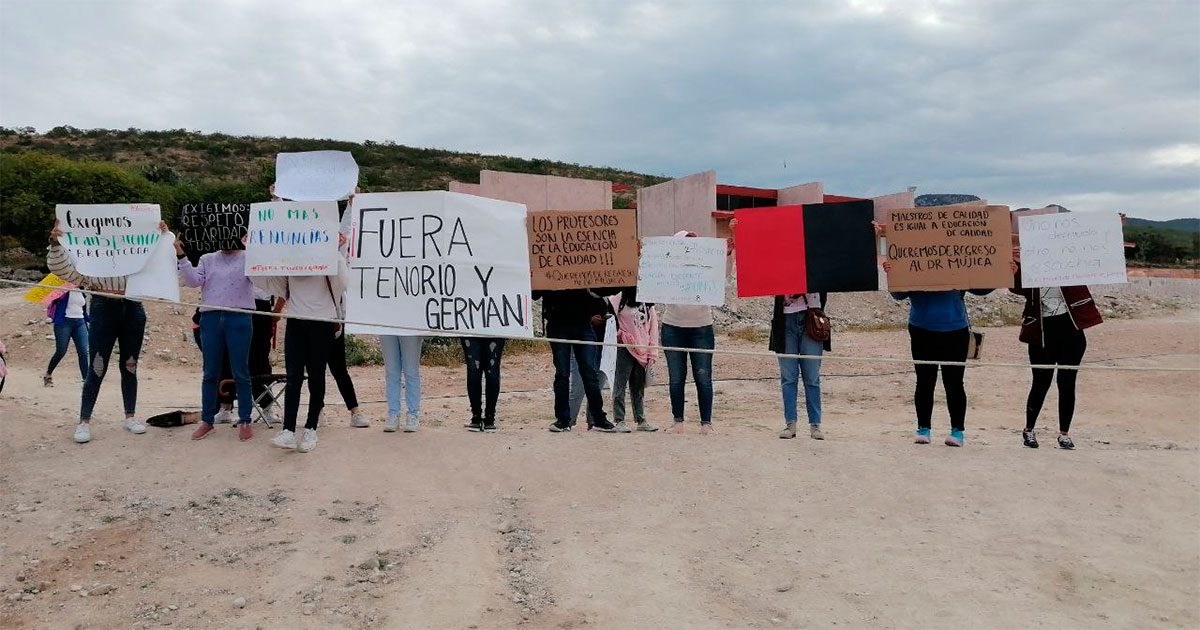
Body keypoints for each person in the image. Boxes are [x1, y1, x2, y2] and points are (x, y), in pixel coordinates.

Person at [47, 220, 164, 444]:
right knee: (97, 366)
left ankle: (130, 416)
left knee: (130, 364)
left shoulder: (135, 251)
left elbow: (158, 262)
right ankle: (84, 421)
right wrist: (55, 243)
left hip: (132, 305)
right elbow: (63, 270)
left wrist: (161, 236)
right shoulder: (89, 254)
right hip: (102, 304)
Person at [883, 260, 1007, 447]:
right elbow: (899, 295)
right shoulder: (913, 257)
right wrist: (892, 274)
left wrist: (1002, 273)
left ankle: (957, 430)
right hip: (921, 327)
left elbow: (980, 289)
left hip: (955, 329)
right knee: (924, 381)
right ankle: (923, 428)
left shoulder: (958, 258)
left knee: (954, 382)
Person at [250, 237, 349, 454]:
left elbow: (343, 281)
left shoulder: (328, 262)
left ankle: (311, 427)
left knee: (316, 376)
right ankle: (288, 430)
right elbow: (263, 280)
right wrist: (253, 249)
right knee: (293, 378)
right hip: (295, 323)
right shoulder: (288, 264)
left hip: (322, 323)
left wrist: (334, 251)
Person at [1010, 251, 1102, 450]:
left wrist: (1111, 225)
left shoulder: (1071, 266)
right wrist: (1015, 270)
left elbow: (1095, 253)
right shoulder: (1030, 269)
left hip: (1072, 333)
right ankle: (1029, 430)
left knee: (1067, 384)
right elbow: (1016, 287)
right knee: (1041, 382)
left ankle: (1064, 434)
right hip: (1041, 333)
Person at [176, 236, 258, 441]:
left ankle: (245, 419)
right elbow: (193, 281)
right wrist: (181, 254)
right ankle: (207, 420)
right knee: (210, 371)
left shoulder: (249, 257)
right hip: (210, 317)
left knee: (241, 370)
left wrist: (255, 251)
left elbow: (261, 281)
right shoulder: (207, 258)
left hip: (239, 316)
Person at [661, 231, 726, 435]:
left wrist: (729, 253)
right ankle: (677, 422)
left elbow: (724, 273)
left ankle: (706, 423)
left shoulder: (705, 265)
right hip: (672, 326)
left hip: (701, 327)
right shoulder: (667, 268)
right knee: (676, 377)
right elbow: (650, 281)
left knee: (704, 377)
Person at [534, 287, 620, 433]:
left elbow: (601, 291)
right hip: (558, 323)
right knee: (563, 374)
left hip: (583, 324)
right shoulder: (546, 269)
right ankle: (563, 420)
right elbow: (534, 294)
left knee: (590, 374)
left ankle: (598, 419)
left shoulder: (582, 268)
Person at [769, 292, 830, 440]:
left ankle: (815, 424)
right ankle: (790, 424)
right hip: (785, 319)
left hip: (812, 316)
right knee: (788, 377)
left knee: (812, 376)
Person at [609, 287, 660, 433]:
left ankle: (641, 419)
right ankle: (619, 419)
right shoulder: (620, 297)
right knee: (620, 384)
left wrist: (652, 354)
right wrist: (621, 335)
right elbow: (610, 319)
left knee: (638, 386)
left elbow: (653, 329)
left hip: (642, 350)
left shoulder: (648, 303)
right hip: (624, 348)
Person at [43, 289, 89, 387]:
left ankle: (86, 380)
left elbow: (83, 310)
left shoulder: (82, 291)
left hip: (80, 322)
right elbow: (54, 300)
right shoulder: (62, 291)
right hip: (64, 323)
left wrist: (92, 320)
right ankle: (48, 374)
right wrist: (61, 292)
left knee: (83, 351)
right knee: (61, 351)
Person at [380, 335, 423, 432]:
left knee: (411, 371)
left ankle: (413, 414)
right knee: (391, 372)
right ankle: (393, 414)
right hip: (386, 325)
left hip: (410, 327)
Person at [461, 336, 504, 432]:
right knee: (473, 371)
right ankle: (476, 415)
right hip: (471, 330)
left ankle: (490, 416)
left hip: (495, 329)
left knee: (492, 371)